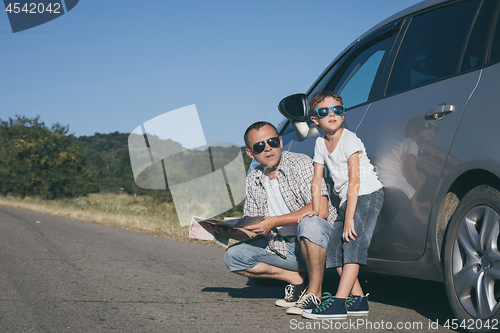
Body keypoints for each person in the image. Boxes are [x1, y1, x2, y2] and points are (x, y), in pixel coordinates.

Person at [206, 121, 337, 315]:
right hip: (284, 247)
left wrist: (274, 222)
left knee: (309, 222)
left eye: (272, 141)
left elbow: (322, 210)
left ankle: (314, 294)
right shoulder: (253, 179)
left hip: (320, 243)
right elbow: (255, 231)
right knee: (233, 257)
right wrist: (226, 231)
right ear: (251, 153)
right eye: (259, 146)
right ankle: (296, 279)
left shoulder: (300, 163)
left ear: (281, 142)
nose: (267, 148)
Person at [298, 92, 384, 320]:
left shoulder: (350, 139)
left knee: (352, 248)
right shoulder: (320, 143)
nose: (332, 114)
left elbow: (355, 180)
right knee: (335, 253)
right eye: (324, 112)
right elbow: (317, 179)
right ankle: (358, 300)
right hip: (349, 199)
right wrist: (316, 209)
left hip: (365, 194)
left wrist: (348, 219)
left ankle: (338, 304)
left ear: (343, 113)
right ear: (315, 120)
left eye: (337, 109)